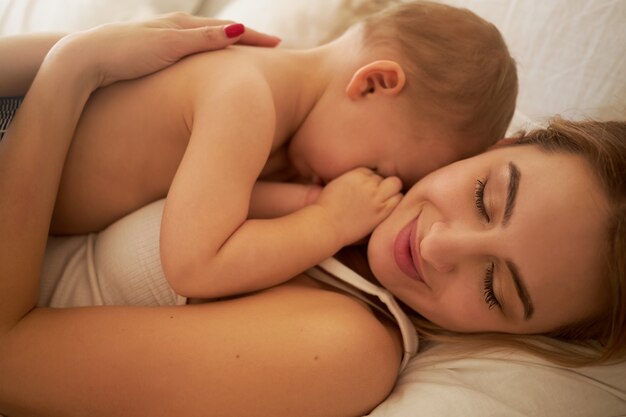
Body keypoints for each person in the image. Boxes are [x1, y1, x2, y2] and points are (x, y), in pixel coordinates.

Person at [0, 13, 624, 417]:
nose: (438, 246)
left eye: (494, 287)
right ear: (499, 145)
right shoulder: (314, 144)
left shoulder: (343, 347)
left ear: (526, 337)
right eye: (487, 196)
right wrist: (79, 62)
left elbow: (10, 358)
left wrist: (72, 69)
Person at [26, 1, 517, 300]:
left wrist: (307, 201)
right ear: (372, 84)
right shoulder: (247, 101)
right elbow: (195, 265)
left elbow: (215, 197)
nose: (364, 181)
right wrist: (327, 222)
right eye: (378, 168)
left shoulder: (268, 99)